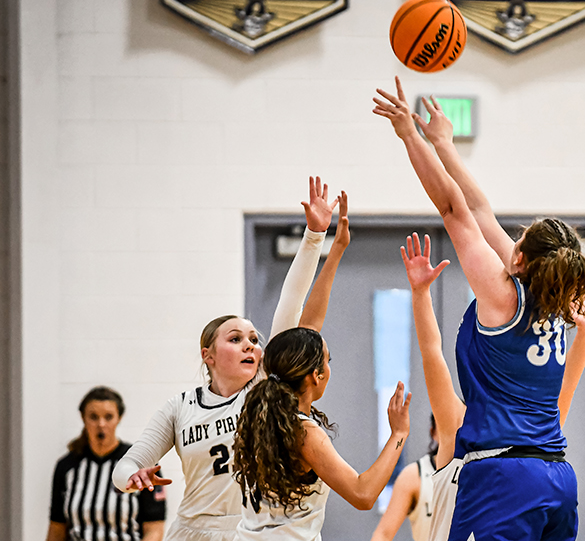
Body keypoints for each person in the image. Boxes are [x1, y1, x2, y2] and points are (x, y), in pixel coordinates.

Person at [374, 78, 585, 541]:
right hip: (557, 478)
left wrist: (409, 137)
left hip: (504, 479)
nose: (506, 240)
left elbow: (456, 211)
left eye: (515, 240)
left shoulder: (503, 299)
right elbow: (479, 209)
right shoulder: (554, 303)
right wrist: (444, 144)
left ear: (520, 258)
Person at [111, 178, 349, 541]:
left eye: (254, 339)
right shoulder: (181, 408)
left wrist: (314, 236)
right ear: (208, 355)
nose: (250, 346)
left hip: (246, 532)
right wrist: (131, 477)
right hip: (191, 531)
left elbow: (292, 304)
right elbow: (127, 463)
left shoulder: (265, 390)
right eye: (235, 339)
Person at [397, 233, 585, 541]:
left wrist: (584, 336)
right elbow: (432, 355)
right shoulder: (456, 430)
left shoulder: (517, 430)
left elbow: (561, 398)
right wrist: (420, 292)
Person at [232, 334, 411, 539]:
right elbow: (363, 495)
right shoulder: (303, 432)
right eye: (328, 361)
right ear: (316, 375)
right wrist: (399, 433)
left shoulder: (258, 420)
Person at [48, 386, 166, 541]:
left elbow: (154, 529)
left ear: (119, 418)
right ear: (83, 418)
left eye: (108, 417)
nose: (101, 424)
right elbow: (57, 529)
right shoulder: (67, 466)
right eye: (94, 417)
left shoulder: (141, 463)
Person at [369, 414, 439, 541]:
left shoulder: (479, 471)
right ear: (433, 431)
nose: (455, 431)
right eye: (448, 424)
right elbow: (383, 534)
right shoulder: (415, 475)